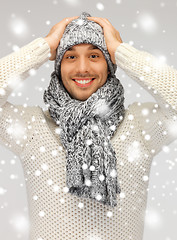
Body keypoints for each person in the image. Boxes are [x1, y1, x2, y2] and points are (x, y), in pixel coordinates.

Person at [0, 11, 177, 240]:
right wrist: (44, 47)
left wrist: (121, 52)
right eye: (70, 57)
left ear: (109, 63)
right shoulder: (32, 128)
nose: (82, 68)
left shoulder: (139, 126)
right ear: (58, 65)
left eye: (94, 56)